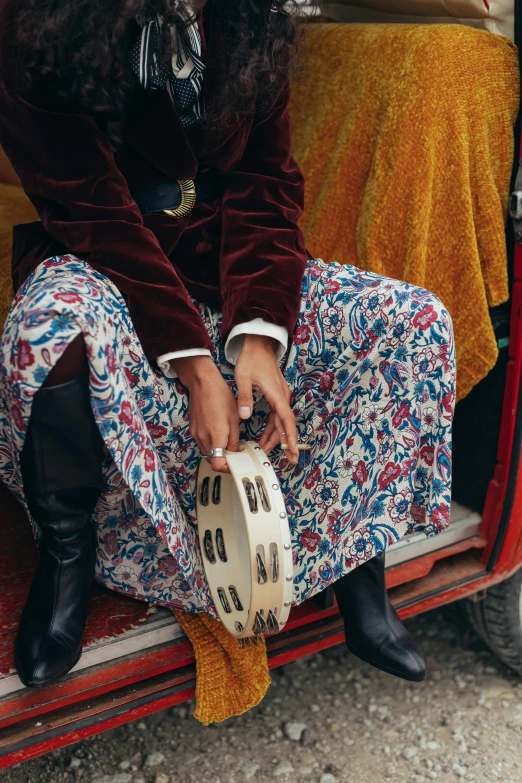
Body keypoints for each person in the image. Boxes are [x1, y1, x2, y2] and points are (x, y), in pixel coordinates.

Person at [0, 0, 455, 690]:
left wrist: (260, 332)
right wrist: (191, 360)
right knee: (44, 331)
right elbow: (88, 206)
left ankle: (357, 564)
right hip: (101, 252)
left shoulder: (252, 18)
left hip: (228, 257)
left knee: (409, 319)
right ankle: (68, 560)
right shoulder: (34, 20)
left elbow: (266, 185)